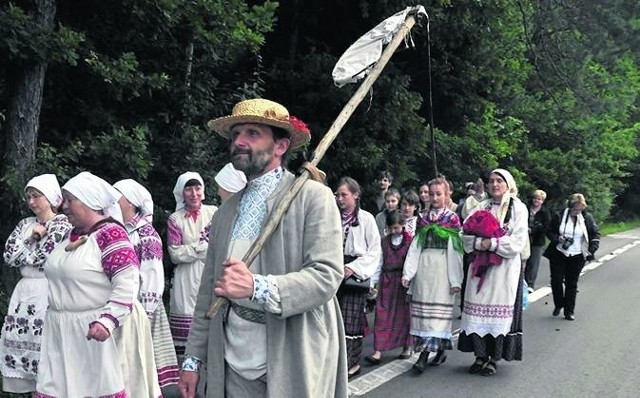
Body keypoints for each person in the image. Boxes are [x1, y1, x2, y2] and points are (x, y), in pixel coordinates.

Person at [178, 98, 348, 398]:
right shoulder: (225, 211)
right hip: (232, 358)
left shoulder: (313, 199)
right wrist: (192, 360)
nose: (239, 141)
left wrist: (256, 287)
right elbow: (208, 290)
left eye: (252, 133)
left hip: (293, 352)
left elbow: (326, 277)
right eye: (235, 134)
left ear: (280, 146)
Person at [35, 171, 160, 397]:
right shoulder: (70, 236)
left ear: (90, 202)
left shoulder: (110, 235)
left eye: (70, 200)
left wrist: (107, 321)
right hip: (64, 332)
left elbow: (127, 282)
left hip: (99, 331)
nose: (64, 206)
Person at [0, 174, 71, 394]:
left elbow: (43, 257)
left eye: (36, 196)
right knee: (23, 340)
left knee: (46, 346)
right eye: (28, 197)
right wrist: (30, 238)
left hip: (47, 288)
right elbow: (9, 257)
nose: (31, 202)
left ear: (49, 197)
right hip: (24, 292)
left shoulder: (62, 224)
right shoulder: (26, 225)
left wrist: (26, 250)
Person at [458, 168, 527, 377]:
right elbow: (464, 234)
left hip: (504, 270)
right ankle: (480, 356)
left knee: (498, 312)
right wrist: (481, 242)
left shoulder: (518, 208)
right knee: (477, 308)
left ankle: (494, 359)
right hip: (480, 268)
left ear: (508, 184)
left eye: (499, 181)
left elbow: (517, 242)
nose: (495, 185)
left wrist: (492, 244)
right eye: (491, 181)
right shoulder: (482, 206)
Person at [114, 178, 180, 388]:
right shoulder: (117, 231)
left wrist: (147, 312)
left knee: (139, 364)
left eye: (118, 197)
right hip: (121, 304)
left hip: (141, 307)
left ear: (131, 203)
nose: (113, 201)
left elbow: (152, 275)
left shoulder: (146, 234)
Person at [402, 177, 463, 373]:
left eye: (439, 194)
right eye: (432, 193)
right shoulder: (422, 218)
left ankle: (423, 356)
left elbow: (455, 250)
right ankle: (438, 350)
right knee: (424, 315)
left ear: (447, 195)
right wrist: (408, 272)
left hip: (442, 268)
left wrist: (455, 279)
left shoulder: (452, 219)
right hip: (424, 269)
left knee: (436, 316)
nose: (435, 197)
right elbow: (416, 246)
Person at [167, 171, 218, 360]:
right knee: (186, 320)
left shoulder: (214, 213)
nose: (194, 193)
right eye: (188, 189)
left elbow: (219, 244)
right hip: (185, 278)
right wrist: (200, 248)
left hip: (210, 272)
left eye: (197, 188)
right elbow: (175, 253)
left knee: (210, 315)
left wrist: (192, 250)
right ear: (182, 192)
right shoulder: (175, 219)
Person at [543, 193, 599, 321]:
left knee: (571, 283)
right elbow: (549, 231)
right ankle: (559, 304)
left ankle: (569, 311)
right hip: (559, 253)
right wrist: (558, 239)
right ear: (570, 206)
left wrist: (592, 249)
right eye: (575, 209)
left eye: (580, 209)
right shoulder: (559, 215)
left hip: (578, 255)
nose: (577, 212)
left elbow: (595, 233)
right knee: (556, 280)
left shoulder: (587, 218)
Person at [525, 189, 551, 291]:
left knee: (533, 262)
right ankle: (521, 282)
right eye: (535, 198)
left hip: (537, 240)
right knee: (523, 260)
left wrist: (534, 230)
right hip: (524, 238)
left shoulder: (545, 212)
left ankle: (530, 284)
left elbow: (546, 227)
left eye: (539, 199)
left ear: (542, 201)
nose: (536, 201)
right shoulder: (526, 208)